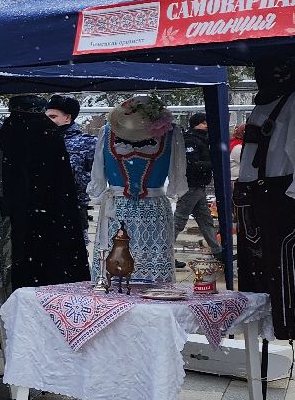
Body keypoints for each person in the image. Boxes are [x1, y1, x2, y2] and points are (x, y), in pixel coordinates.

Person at [234, 61, 295, 340]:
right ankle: (252, 332)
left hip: (280, 197)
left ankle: (282, 329)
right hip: (251, 195)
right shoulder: (265, 99)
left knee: (283, 268)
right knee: (252, 271)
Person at [0, 95, 90, 296]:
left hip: (18, 220)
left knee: (21, 280)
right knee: (52, 279)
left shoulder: (11, 130)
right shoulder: (48, 132)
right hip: (55, 222)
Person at [90, 96, 186, 284]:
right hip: (116, 210)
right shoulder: (107, 132)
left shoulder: (171, 133)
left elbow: (177, 174)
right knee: (114, 260)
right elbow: (98, 175)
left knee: (152, 262)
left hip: (153, 210)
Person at [173, 112, 221, 256]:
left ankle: (218, 251)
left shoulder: (199, 139)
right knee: (179, 221)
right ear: (198, 124)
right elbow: (191, 164)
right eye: (205, 123)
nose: (207, 126)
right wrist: (213, 164)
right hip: (191, 186)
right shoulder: (192, 140)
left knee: (205, 220)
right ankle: (164, 254)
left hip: (197, 186)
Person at [45, 94, 96, 208]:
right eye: (45, 117)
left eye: (53, 117)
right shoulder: (39, 141)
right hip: (42, 206)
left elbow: (96, 176)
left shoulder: (87, 143)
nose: (47, 121)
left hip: (74, 205)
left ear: (67, 118)